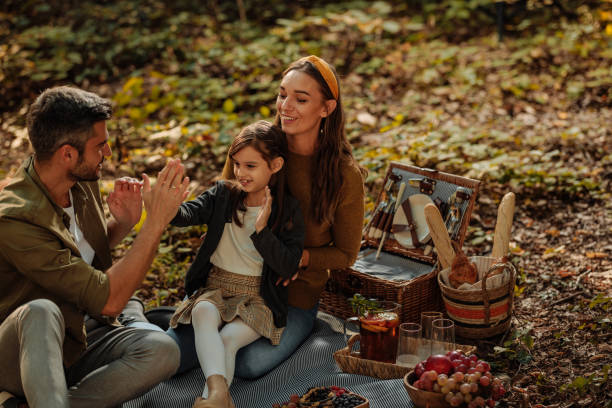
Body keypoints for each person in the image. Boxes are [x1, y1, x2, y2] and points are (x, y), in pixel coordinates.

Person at [167, 55, 365, 378]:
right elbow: (222, 202)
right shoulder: (258, 147)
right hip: (227, 284)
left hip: (289, 296)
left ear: (326, 108)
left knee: (249, 364)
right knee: (170, 356)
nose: (286, 105)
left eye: (301, 99)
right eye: (282, 94)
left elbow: (346, 254)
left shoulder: (344, 175)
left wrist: (295, 258)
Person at [0, 86, 189, 408]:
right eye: (100, 146)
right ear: (68, 154)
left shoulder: (78, 183)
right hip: (21, 352)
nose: (109, 153)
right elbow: (108, 301)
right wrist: (155, 222)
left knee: (162, 350)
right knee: (41, 310)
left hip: (77, 334)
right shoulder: (16, 218)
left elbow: (78, 259)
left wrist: (123, 225)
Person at [167, 121, 304, 408]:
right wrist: (167, 204)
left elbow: (289, 266)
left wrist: (262, 230)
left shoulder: (287, 209)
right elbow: (188, 213)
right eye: (237, 164)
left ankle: (212, 400)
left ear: (276, 165)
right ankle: (219, 397)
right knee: (203, 310)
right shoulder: (223, 195)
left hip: (258, 298)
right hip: (216, 288)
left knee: (228, 339)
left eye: (251, 166)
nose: (241, 173)